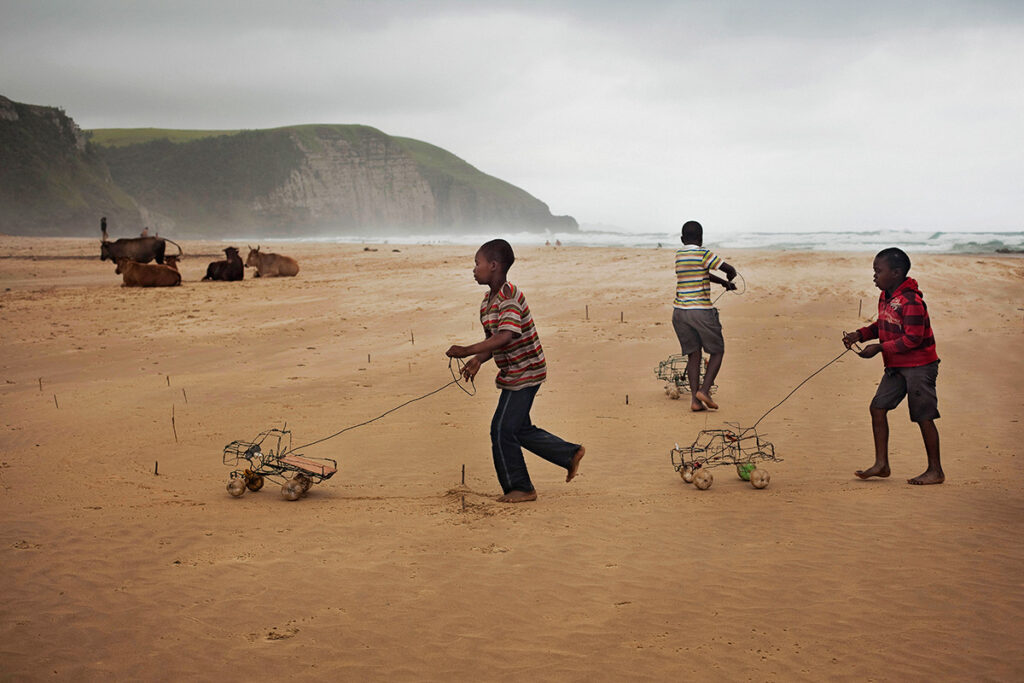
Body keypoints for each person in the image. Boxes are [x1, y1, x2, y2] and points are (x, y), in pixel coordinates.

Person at [446, 239, 584, 503]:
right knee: (517, 428)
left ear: (494, 266)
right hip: (514, 373)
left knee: (501, 429)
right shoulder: (488, 301)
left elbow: (507, 336)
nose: (474, 269)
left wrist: (465, 350)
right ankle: (568, 454)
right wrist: (477, 359)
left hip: (526, 372)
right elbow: (494, 340)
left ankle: (520, 487)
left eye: (478, 263)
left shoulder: (509, 297)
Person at [843, 247, 943, 485]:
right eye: (874, 271)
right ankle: (881, 464)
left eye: (879, 271)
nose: (874, 276)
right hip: (897, 365)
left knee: (923, 416)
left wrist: (879, 348)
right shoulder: (886, 296)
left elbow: (913, 339)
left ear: (896, 273)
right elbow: (883, 324)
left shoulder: (911, 301)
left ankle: (936, 470)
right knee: (878, 408)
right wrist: (860, 334)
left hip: (920, 365)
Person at [672, 220, 737, 412]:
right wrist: (730, 275)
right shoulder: (703, 253)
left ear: (682, 239)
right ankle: (705, 390)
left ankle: (695, 400)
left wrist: (723, 284)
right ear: (701, 238)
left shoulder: (679, 255)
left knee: (694, 355)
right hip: (700, 311)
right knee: (717, 351)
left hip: (679, 313)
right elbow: (728, 268)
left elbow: (703, 273)